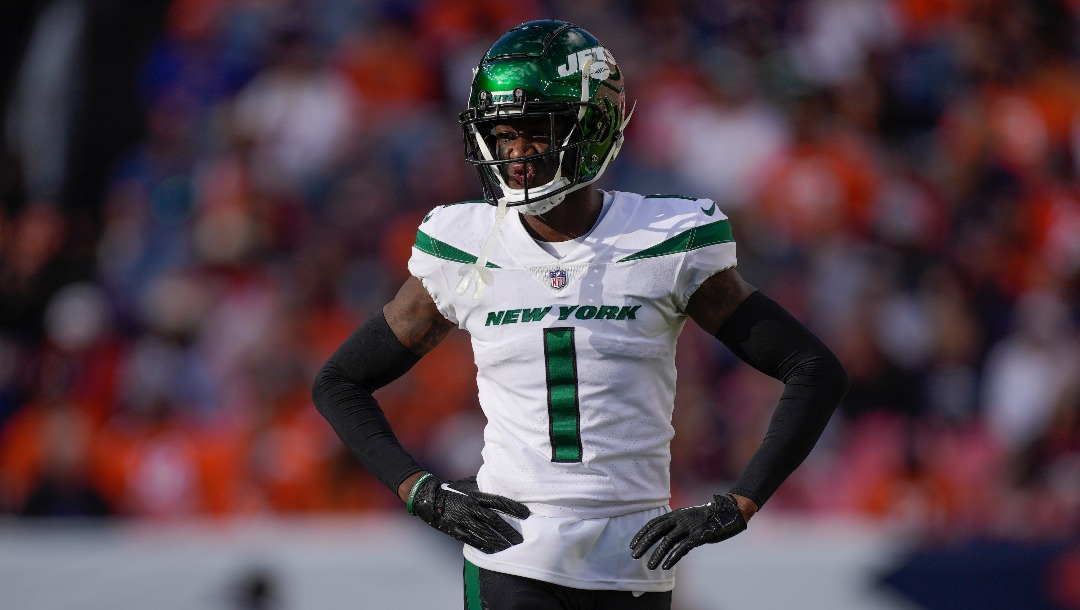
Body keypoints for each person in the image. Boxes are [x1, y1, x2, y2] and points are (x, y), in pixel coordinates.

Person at [312, 19, 849, 609]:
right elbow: (339, 382)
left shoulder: (666, 239)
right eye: (503, 133)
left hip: (633, 561)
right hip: (511, 555)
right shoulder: (465, 242)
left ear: (592, 127)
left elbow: (812, 368)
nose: (515, 154)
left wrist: (739, 503)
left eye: (534, 132)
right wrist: (422, 492)